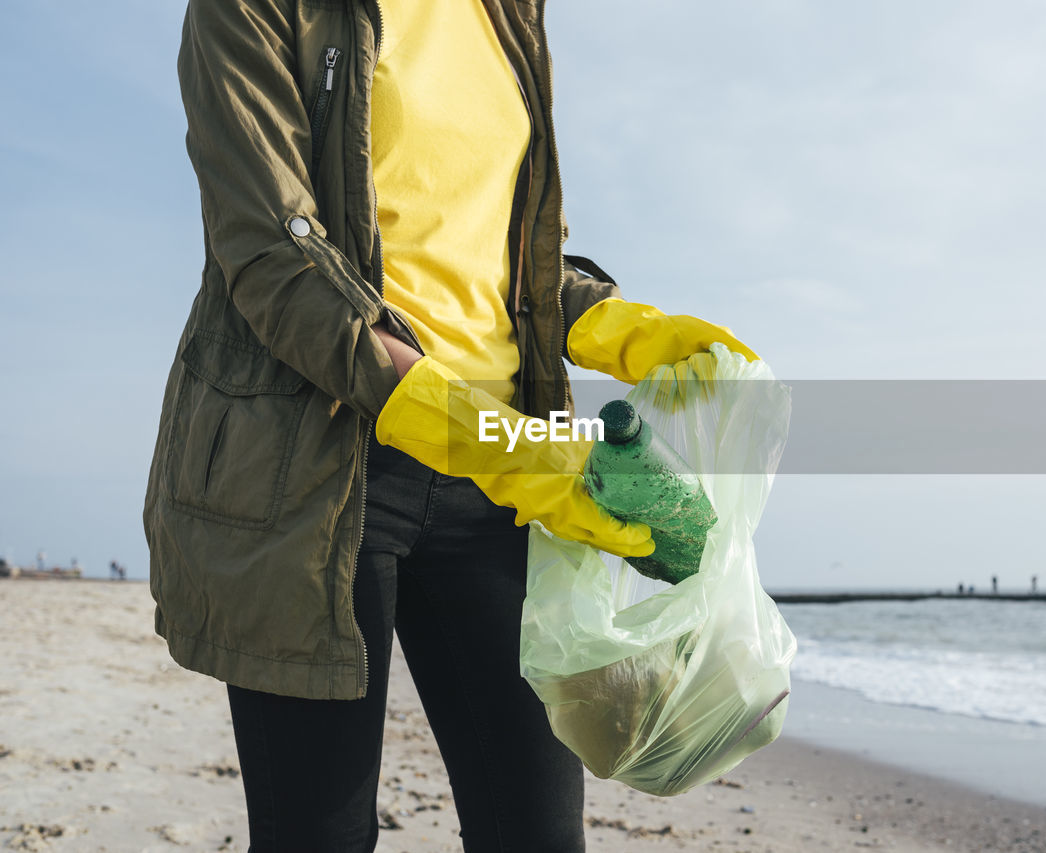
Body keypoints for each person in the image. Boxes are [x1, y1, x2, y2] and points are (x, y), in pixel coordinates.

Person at [141, 1, 757, 851]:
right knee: (317, 836)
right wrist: (528, 460)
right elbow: (274, 258)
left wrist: (623, 329)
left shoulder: (506, 13)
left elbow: (509, 265)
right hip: (318, 477)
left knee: (537, 833)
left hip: (496, 476)